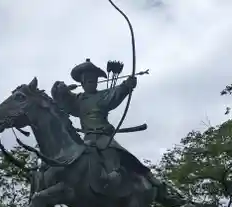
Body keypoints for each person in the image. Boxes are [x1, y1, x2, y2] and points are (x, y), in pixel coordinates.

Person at [51, 58, 169, 197]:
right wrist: (59, 90)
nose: (91, 82)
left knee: (123, 155)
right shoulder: (78, 100)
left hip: (103, 137)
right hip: (87, 139)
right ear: (81, 83)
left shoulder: (103, 95)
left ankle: (152, 180)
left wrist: (126, 85)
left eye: (93, 80)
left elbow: (115, 94)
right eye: (87, 80)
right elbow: (63, 104)